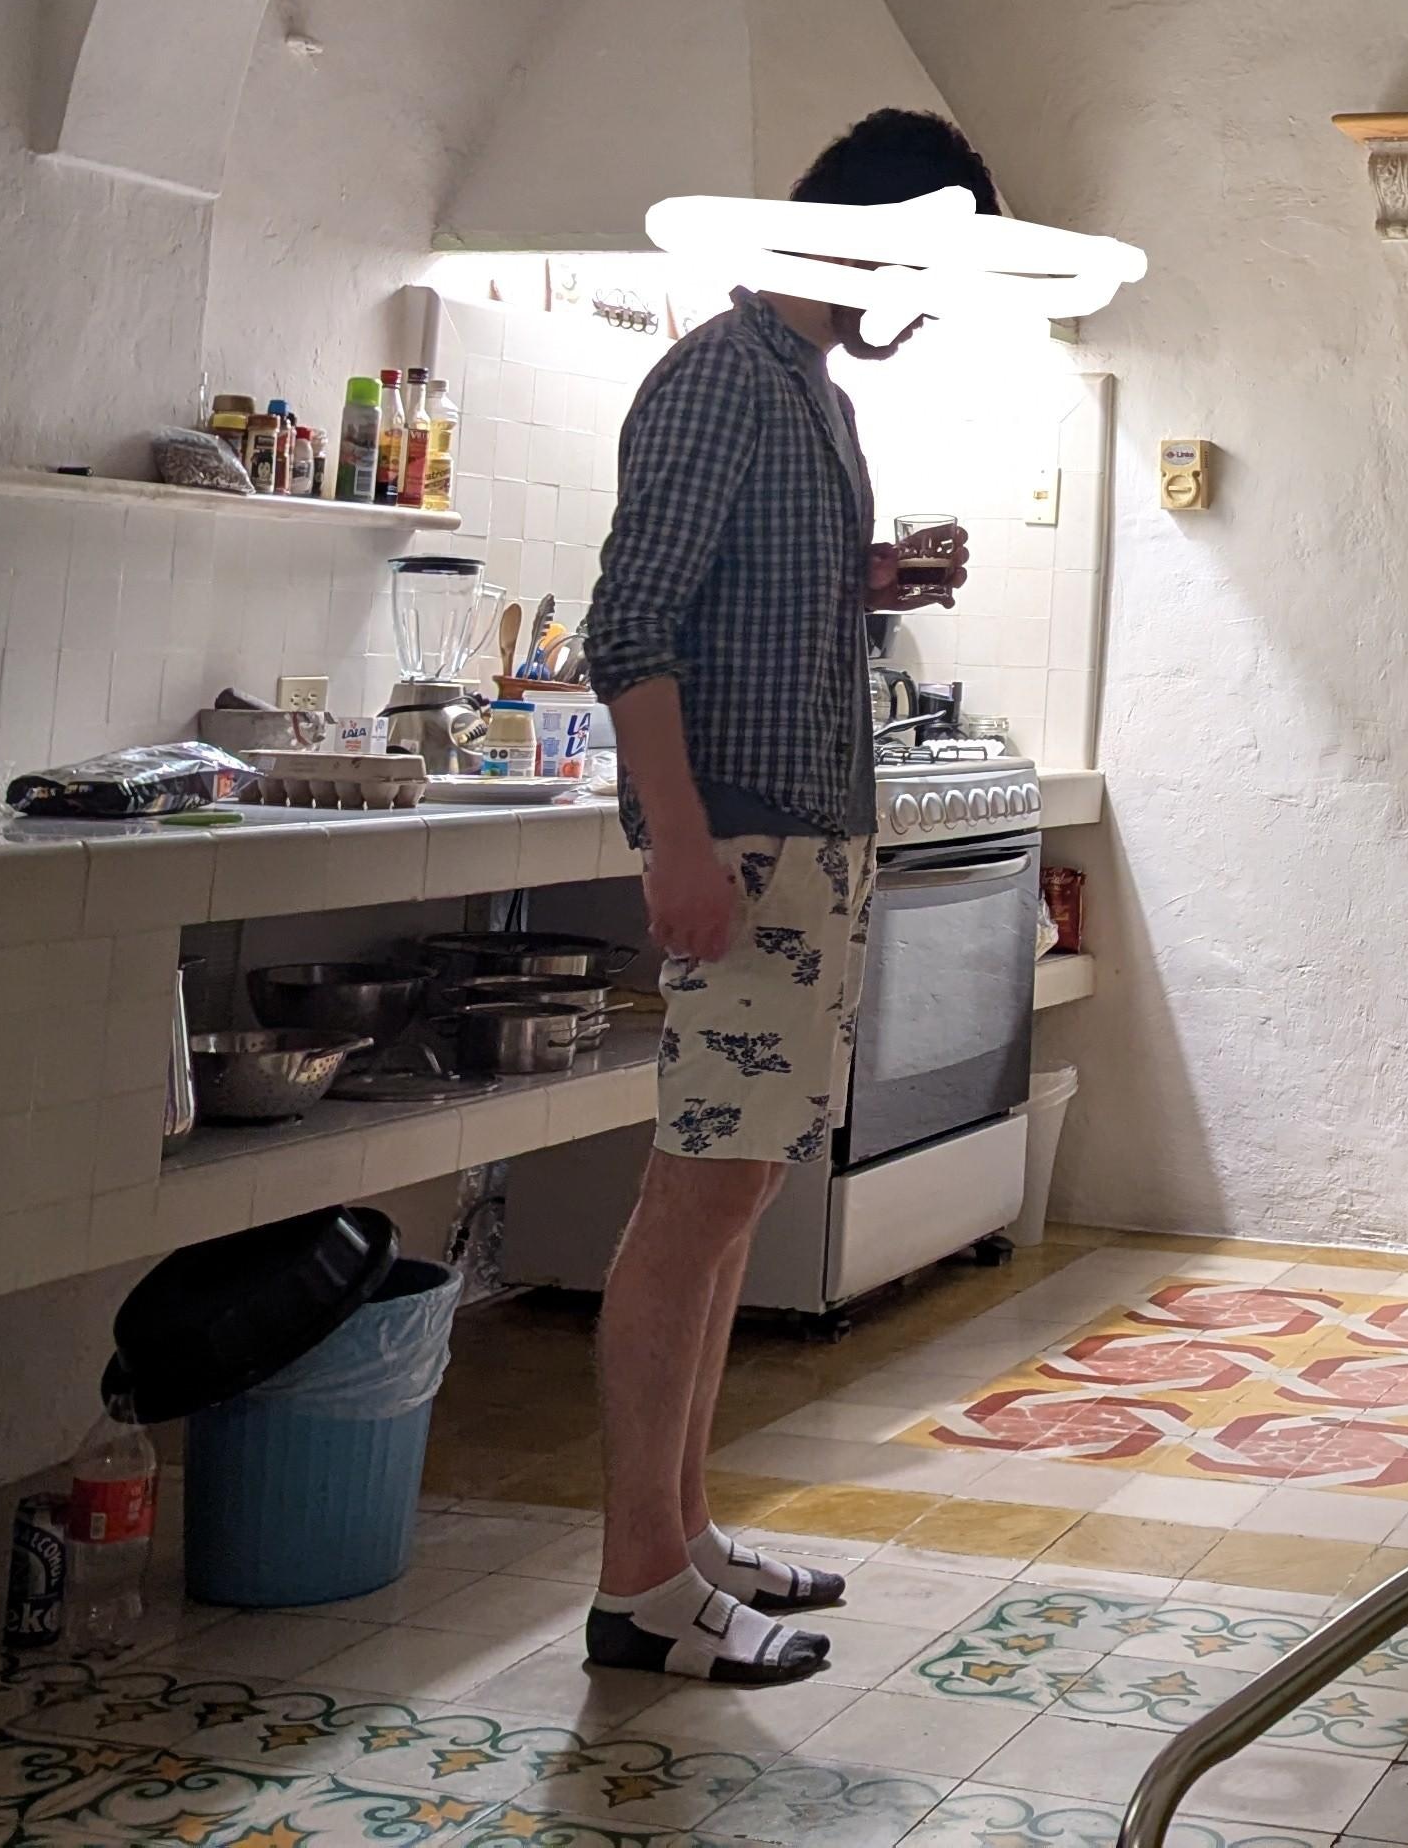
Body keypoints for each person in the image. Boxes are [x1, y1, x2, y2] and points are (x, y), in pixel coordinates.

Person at [574, 108, 991, 1682]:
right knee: (699, 1197)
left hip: (806, 834)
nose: (925, 294)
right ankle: (636, 1585)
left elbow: (741, 596)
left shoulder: (805, 389)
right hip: (742, 840)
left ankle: (682, 1534)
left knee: (739, 1187)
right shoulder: (718, 377)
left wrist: (866, 582)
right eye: (931, 257)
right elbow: (632, 626)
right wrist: (677, 839)